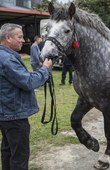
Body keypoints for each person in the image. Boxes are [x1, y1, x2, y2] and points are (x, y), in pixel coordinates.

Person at [0, 23, 52, 170]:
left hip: (5, 114)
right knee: (19, 157)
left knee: (8, 152)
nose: (23, 40)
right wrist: (45, 69)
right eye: (20, 36)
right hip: (14, 116)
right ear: (8, 38)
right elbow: (28, 82)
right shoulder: (7, 59)